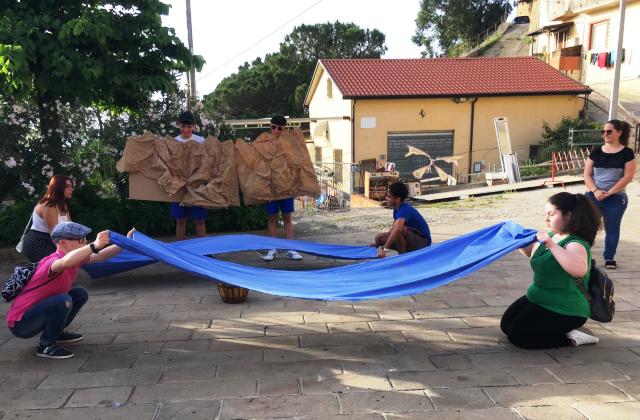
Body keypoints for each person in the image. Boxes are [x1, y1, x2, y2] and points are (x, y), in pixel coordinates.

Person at [6, 222, 135, 359]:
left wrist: (124, 242)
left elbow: (101, 256)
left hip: (35, 315)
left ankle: (57, 333)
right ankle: (45, 346)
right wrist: (93, 246)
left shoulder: (75, 258)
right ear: (63, 243)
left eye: (85, 238)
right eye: (80, 239)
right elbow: (65, 262)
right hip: (22, 324)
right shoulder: (52, 261)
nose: (85, 241)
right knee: (63, 300)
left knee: (79, 294)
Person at [501, 192, 602, 349]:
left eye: (551, 214)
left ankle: (573, 338)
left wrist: (551, 245)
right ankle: (559, 330)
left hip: (566, 308)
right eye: (546, 214)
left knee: (518, 336)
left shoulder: (575, 244)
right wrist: (516, 239)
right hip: (540, 298)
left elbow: (579, 270)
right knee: (506, 325)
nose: (546, 219)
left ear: (568, 216)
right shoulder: (552, 236)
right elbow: (532, 253)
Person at [584, 119, 636, 269]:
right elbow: (587, 174)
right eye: (603, 132)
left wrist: (609, 193)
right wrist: (595, 191)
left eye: (609, 131)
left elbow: (628, 177)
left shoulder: (627, 153)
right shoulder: (596, 151)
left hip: (616, 198)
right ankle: (584, 256)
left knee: (612, 228)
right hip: (593, 196)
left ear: (619, 133)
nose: (605, 134)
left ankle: (609, 258)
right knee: (588, 227)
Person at [262, 115, 303, 261]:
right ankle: (272, 249)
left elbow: (297, 163)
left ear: (284, 128)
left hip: (286, 188)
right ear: (270, 127)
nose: (276, 131)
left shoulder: (290, 144)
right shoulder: (264, 142)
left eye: (280, 128)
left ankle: (291, 249)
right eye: (274, 127)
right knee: (272, 219)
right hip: (271, 189)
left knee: (287, 218)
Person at [171, 110, 208, 241]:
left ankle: (204, 252)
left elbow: (208, 163)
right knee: (180, 220)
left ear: (193, 126)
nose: (186, 130)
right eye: (183, 126)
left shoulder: (201, 141)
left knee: (200, 220)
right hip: (179, 187)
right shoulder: (173, 142)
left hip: (197, 187)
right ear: (178, 125)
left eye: (189, 127)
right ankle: (180, 252)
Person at [21, 175, 74, 263]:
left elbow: (70, 228)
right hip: (38, 242)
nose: (71, 189)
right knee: (57, 266)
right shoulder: (49, 206)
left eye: (71, 186)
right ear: (58, 188)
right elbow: (55, 234)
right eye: (67, 186)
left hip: (51, 239)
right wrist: (71, 251)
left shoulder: (62, 204)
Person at [373, 181, 431, 258]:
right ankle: (402, 252)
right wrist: (378, 244)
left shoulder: (405, 209)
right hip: (412, 239)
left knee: (399, 230)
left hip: (423, 243)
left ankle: (402, 258)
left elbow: (397, 229)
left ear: (397, 199)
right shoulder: (396, 209)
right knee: (379, 238)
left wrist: (384, 249)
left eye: (389, 197)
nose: (386, 198)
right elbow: (392, 230)